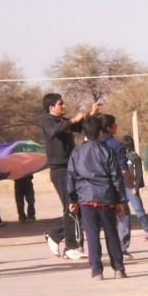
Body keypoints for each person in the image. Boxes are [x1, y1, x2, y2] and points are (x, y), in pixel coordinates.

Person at [41, 93, 101, 260]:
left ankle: (54, 234)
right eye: (60, 104)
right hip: (59, 170)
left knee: (77, 205)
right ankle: (71, 247)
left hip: (70, 168)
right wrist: (72, 120)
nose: (63, 106)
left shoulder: (62, 121)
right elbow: (55, 131)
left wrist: (92, 113)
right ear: (51, 107)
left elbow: (81, 126)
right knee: (71, 206)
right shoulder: (48, 121)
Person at [67, 118, 127, 280]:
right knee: (111, 234)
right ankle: (118, 268)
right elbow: (116, 177)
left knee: (92, 236)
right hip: (106, 197)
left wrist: (72, 199)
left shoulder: (77, 152)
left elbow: (71, 176)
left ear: (84, 134)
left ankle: (96, 271)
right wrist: (120, 200)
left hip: (85, 198)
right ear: (100, 132)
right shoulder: (107, 151)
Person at [96, 114, 135, 258]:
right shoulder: (116, 145)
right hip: (116, 185)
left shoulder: (94, 145)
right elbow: (123, 169)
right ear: (109, 127)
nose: (117, 126)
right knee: (123, 216)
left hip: (98, 185)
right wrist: (132, 181)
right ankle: (121, 247)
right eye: (115, 124)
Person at [120, 135, 148, 236]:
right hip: (121, 186)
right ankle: (122, 232)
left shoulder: (135, 157)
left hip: (131, 187)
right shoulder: (120, 157)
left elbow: (139, 173)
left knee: (139, 209)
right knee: (122, 211)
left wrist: (136, 187)